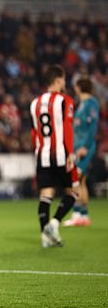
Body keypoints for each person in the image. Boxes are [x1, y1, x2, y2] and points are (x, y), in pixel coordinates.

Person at [29, 64, 78, 248]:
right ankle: (55, 223)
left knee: (46, 194)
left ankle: (45, 237)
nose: (64, 83)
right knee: (73, 192)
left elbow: (35, 133)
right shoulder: (65, 100)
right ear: (58, 80)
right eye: (64, 79)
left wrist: (37, 151)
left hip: (42, 154)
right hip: (61, 153)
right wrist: (70, 152)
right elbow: (66, 127)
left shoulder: (34, 103)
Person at [63, 76, 100, 227]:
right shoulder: (83, 104)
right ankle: (84, 216)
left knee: (74, 180)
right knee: (81, 181)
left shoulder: (91, 103)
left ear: (79, 87)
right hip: (78, 146)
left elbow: (92, 127)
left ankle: (77, 213)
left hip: (85, 146)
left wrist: (84, 146)